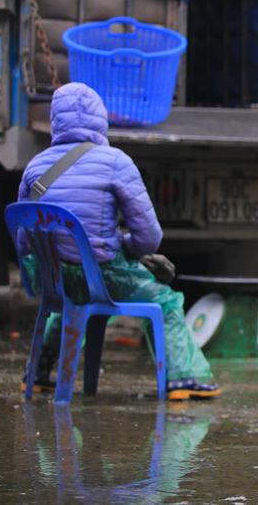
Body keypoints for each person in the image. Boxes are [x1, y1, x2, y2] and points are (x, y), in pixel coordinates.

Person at [17, 82, 220, 401]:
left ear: (56, 120)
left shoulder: (35, 167)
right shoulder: (115, 162)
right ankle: (183, 379)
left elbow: (24, 237)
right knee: (164, 302)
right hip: (102, 275)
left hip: (53, 281)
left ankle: (38, 374)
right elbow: (149, 237)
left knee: (71, 300)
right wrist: (127, 245)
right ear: (100, 119)